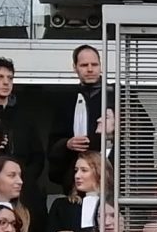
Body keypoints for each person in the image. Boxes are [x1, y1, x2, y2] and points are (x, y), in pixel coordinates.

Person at [49, 41, 114, 183]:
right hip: (77, 179)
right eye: (84, 65)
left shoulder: (117, 95)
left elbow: (142, 132)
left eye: (94, 65)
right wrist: (67, 144)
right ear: (75, 68)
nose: (90, 69)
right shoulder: (67, 100)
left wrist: (114, 132)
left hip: (113, 176)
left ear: (101, 66)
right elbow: (53, 142)